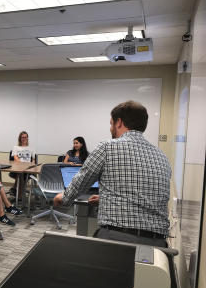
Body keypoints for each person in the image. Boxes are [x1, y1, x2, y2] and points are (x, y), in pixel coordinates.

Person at [53, 101, 171, 247]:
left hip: (117, 239)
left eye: (111, 124)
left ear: (119, 122)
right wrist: (107, 199)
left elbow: (81, 181)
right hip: (158, 244)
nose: (110, 129)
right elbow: (151, 195)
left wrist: (63, 197)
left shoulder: (107, 147)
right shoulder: (162, 156)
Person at [9, 131, 35, 199]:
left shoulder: (31, 148)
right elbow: (15, 158)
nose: (24, 139)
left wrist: (31, 164)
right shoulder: (16, 147)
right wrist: (22, 164)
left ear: (27, 138)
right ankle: (19, 196)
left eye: (25, 137)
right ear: (20, 138)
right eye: (23, 137)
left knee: (21, 175)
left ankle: (14, 189)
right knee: (20, 174)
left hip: (28, 168)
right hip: (18, 167)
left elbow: (34, 159)